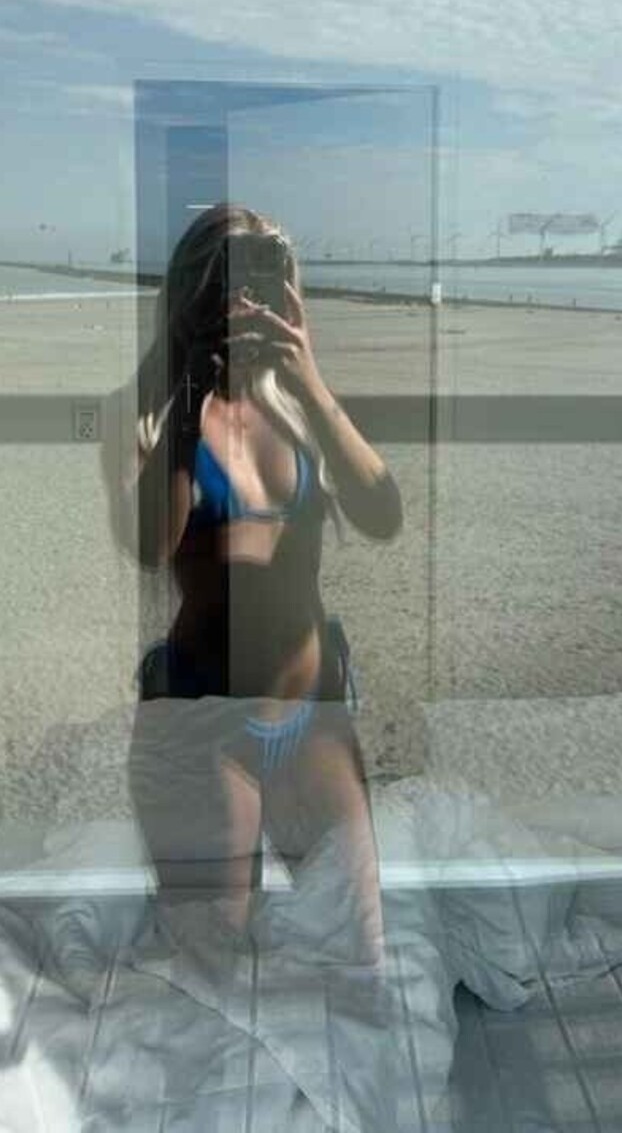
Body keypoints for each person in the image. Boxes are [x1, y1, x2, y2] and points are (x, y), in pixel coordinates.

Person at [122, 204, 401, 964]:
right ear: (193, 298)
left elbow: (383, 513)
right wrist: (188, 406)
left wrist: (308, 378)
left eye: (261, 286)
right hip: (204, 723)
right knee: (212, 961)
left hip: (313, 714)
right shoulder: (151, 414)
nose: (245, 306)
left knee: (358, 951)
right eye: (226, 287)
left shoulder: (297, 404)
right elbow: (148, 547)